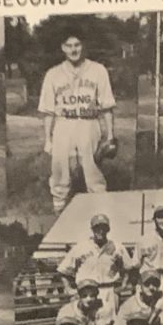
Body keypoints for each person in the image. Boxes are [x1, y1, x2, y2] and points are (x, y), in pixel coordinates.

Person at [38, 28, 117, 212]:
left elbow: (107, 106)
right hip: (63, 123)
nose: (73, 50)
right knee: (59, 171)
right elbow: (48, 111)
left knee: (92, 170)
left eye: (77, 45)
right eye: (69, 45)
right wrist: (48, 140)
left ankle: (100, 211)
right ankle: (59, 211)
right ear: (62, 48)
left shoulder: (98, 70)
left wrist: (110, 136)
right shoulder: (53, 74)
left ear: (84, 46)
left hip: (88, 123)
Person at [59, 212, 133, 292]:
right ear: (92, 229)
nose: (100, 231)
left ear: (108, 230)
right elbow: (63, 270)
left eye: (103, 228)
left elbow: (128, 268)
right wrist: (68, 288)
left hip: (108, 289)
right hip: (86, 291)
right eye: (97, 228)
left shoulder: (118, 247)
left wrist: (124, 285)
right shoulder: (80, 248)